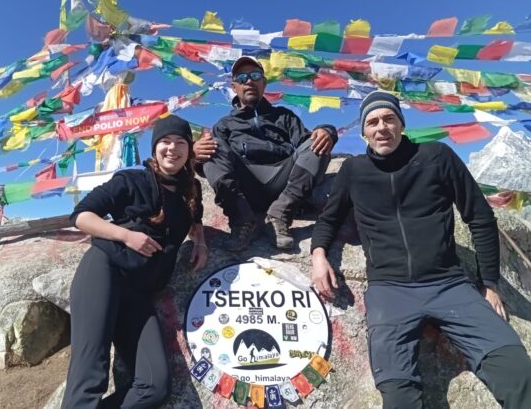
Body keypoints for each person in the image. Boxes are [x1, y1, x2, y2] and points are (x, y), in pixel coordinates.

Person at [310, 91, 531, 408]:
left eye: (389, 119)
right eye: (372, 122)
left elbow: (480, 217)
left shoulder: (437, 156)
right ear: (363, 132)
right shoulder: (354, 171)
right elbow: (328, 220)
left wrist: (490, 284)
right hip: (389, 292)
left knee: (516, 371)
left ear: (401, 123)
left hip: (450, 285)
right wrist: (318, 256)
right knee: (398, 395)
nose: (381, 127)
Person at [62, 114, 208, 409]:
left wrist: (200, 241)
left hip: (138, 293)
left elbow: (195, 221)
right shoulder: (132, 180)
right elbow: (81, 216)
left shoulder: (190, 192)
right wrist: (126, 236)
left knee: (154, 386)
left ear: (189, 150)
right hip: (104, 271)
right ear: (154, 148)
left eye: (181, 142)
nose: (173, 148)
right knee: (90, 375)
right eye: (165, 141)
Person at [194, 56, 338, 251]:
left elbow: (306, 143)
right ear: (234, 86)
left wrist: (327, 131)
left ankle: (280, 214)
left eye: (255, 75)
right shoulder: (224, 124)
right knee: (213, 145)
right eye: (242, 77)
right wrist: (195, 154)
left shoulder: (284, 116)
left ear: (264, 83)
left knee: (317, 143)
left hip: (283, 179)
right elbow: (210, 167)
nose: (249, 81)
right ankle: (242, 221)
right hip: (245, 184)